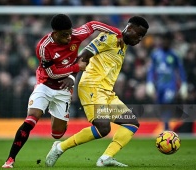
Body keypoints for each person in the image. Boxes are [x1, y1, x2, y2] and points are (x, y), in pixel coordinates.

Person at [2, 13, 124, 168]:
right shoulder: (44, 46)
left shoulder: (75, 35)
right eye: (65, 35)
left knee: (57, 134)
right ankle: (10, 160)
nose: (68, 37)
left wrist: (117, 33)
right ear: (55, 33)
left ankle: (54, 116)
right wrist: (76, 67)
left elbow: (93, 25)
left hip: (63, 91)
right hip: (45, 85)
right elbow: (51, 73)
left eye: (69, 33)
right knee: (32, 118)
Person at [45, 16, 149, 167]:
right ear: (130, 29)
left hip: (106, 92)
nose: (139, 39)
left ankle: (105, 158)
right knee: (103, 128)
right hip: (92, 87)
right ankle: (59, 147)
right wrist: (72, 79)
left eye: (142, 37)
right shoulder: (109, 37)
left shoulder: (122, 44)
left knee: (131, 123)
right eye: (138, 34)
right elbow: (83, 56)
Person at [146, 32, 188, 130]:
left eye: (167, 41)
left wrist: (184, 84)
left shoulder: (175, 55)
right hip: (159, 85)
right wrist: (149, 82)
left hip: (170, 86)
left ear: (170, 42)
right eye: (163, 40)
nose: (165, 42)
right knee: (159, 107)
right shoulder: (155, 54)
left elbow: (181, 70)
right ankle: (165, 127)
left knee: (166, 104)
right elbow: (151, 70)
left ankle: (166, 129)